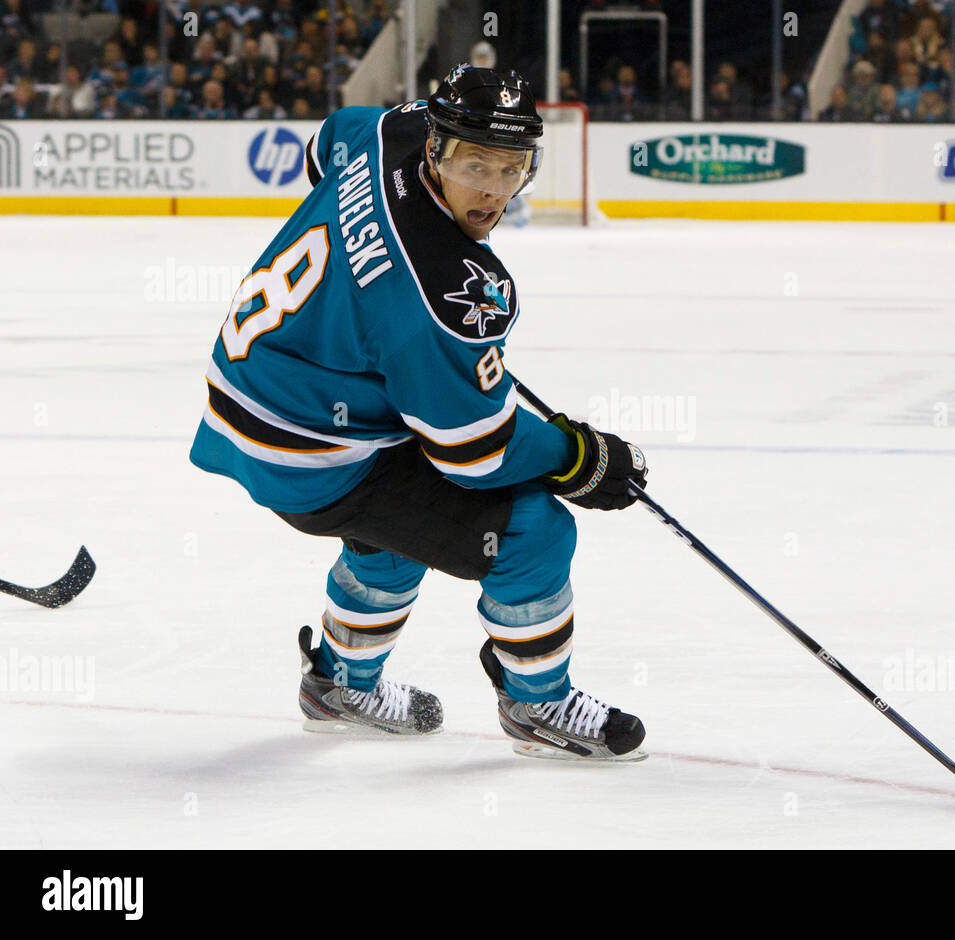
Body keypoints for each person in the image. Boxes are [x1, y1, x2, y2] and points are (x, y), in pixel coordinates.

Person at [188, 65, 648, 761]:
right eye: (474, 164)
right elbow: (476, 455)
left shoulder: (395, 130)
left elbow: (326, 146)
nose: (493, 188)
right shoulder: (452, 291)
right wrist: (579, 457)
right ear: (436, 150)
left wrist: (368, 304)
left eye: (510, 167)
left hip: (262, 392)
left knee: (396, 531)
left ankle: (340, 681)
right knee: (532, 531)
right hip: (310, 450)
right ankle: (538, 705)